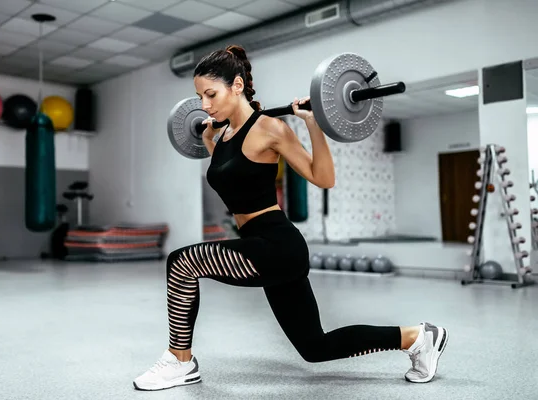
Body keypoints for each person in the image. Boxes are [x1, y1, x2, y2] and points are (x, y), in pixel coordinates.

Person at [133, 45, 449, 391]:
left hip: (277, 244)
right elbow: (229, 177)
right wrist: (209, 138)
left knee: (182, 263)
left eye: (211, 94)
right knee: (315, 347)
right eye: (199, 97)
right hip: (259, 245)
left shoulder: (270, 129)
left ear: (236, 86)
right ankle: (418, 338)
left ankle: (180, 362)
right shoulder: (221, 136)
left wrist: (312, 125)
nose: (204, 105)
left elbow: (324, 178)